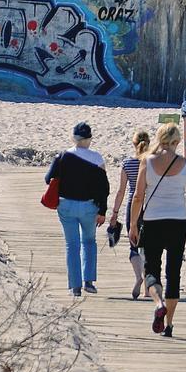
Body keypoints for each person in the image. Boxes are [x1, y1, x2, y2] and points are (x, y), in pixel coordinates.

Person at [130, 123, 186, 337]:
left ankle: (158, 303)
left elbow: (138, 196)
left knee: (152, 269)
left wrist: (133, 224)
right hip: (178, 222)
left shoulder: (147, 161)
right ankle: (169, 324)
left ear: (159, 139)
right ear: (177, 142)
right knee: (174, 272)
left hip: (153, 221)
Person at [44, 123, 109, 298]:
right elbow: (104, 188)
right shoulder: (97, 158)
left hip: (66, 205)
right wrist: (102, 211)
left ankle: (75, 287)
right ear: (89, 139)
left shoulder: (62, 156)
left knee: (71, 245)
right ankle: (88, 282)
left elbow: (48, 178)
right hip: (89, 206)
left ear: (73, 138)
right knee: (89, 241)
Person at [105, 129, 152, 299]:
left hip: (133, 205)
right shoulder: (153, 162)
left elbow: (121, 191)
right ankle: (147, 288)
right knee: (149, 247)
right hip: (150, 205)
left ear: (133, 144)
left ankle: (138, 277)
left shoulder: (127, 163)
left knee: (134, 245)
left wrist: (115, 213)